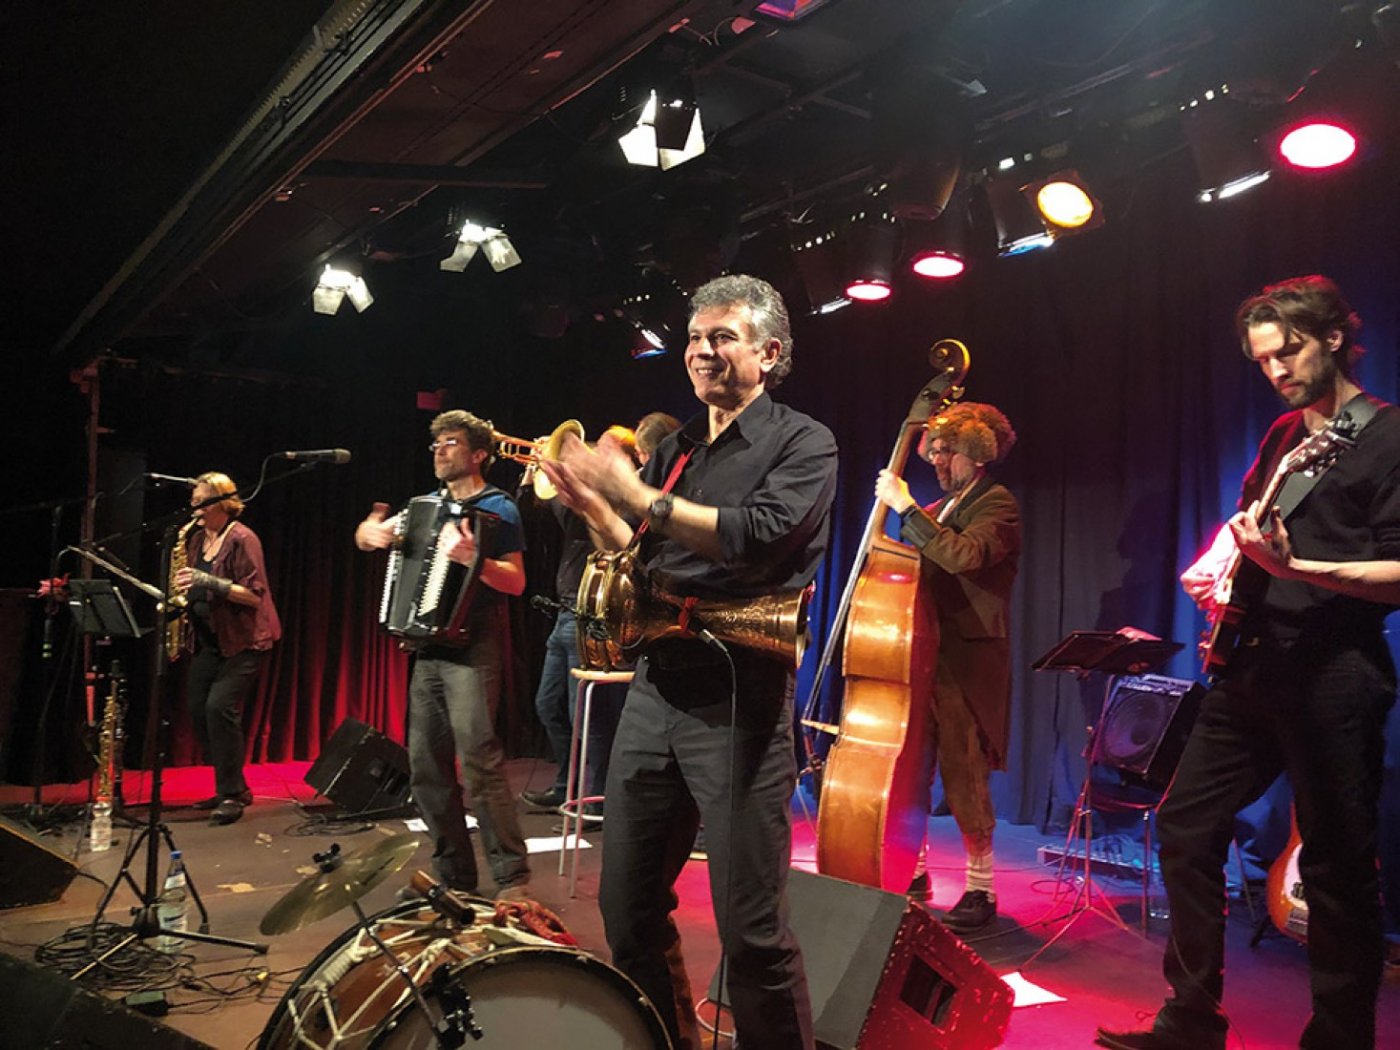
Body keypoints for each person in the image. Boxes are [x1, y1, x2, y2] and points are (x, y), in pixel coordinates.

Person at [1096, 275, 1400, 1050]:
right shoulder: (1283, 435)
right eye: (1263, 360)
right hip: (1251, 668)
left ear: (1334, 337)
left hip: (1335, 674)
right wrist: (1230, 573)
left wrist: (1301, 571)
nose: (1276, 370)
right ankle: (1191, 1020)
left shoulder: (1388, 436)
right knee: (1185, 827)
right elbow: (1256, 533)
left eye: (1288, 352)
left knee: (1335, 868)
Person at [541, 274, 836, 1050]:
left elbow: (757, 536)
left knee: (751, 934)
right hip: (656, 692)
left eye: (722, 337)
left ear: (769, 353)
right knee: (628, 911)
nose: (701, 351)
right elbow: (638, 555)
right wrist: (594, 505)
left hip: (739, 700)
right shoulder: (675, 450)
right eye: (695, 338)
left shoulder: (803, 441)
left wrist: (633, 494)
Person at [355, 410, 533, 901]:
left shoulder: (498, 508)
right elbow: (369, 537)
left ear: (478, 454)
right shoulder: (423, 507)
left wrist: (472, 560)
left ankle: (512, 878)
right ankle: (454, 874)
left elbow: (516, 582)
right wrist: (368, 533)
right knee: (426, 766)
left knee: (478, 761)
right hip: (428, 647)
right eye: (436, 444)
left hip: (475, 644)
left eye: (450, 443)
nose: (439, 451)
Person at [873, 402, 1020, 933]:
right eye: (933, 449)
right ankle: (914, 870)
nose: (936, 458)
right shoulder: (940, 506)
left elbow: (963, 556)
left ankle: (981, 888)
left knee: (964, 771)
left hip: (965, 660)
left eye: (947, 450)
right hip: (924, 654)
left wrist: (906, 508)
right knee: (913, 768)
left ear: (976, 454)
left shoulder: (997, 505)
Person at [522, 416, 683, 815]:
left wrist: (566, 475)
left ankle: (597, 797)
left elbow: (585, 525)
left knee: (587, 716)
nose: (594, 452)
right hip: (565, 610)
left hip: (592, 614)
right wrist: (536, 477)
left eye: (605, 449)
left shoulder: (626, 499)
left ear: (632, 457)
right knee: (548, 705)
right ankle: (567, 785)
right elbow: (543, 518)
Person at [175, 471, 281, 826]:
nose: (194, 509)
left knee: (219, 707)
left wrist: (208, 581)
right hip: (210, 640)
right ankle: (231, 783)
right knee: (197, 708)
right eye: (193, 502)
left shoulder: (242, 539)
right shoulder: (196, 539)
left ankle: (231, 793)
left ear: (222, 503)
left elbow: (254, 596)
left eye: (201, 502)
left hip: (246, 639)